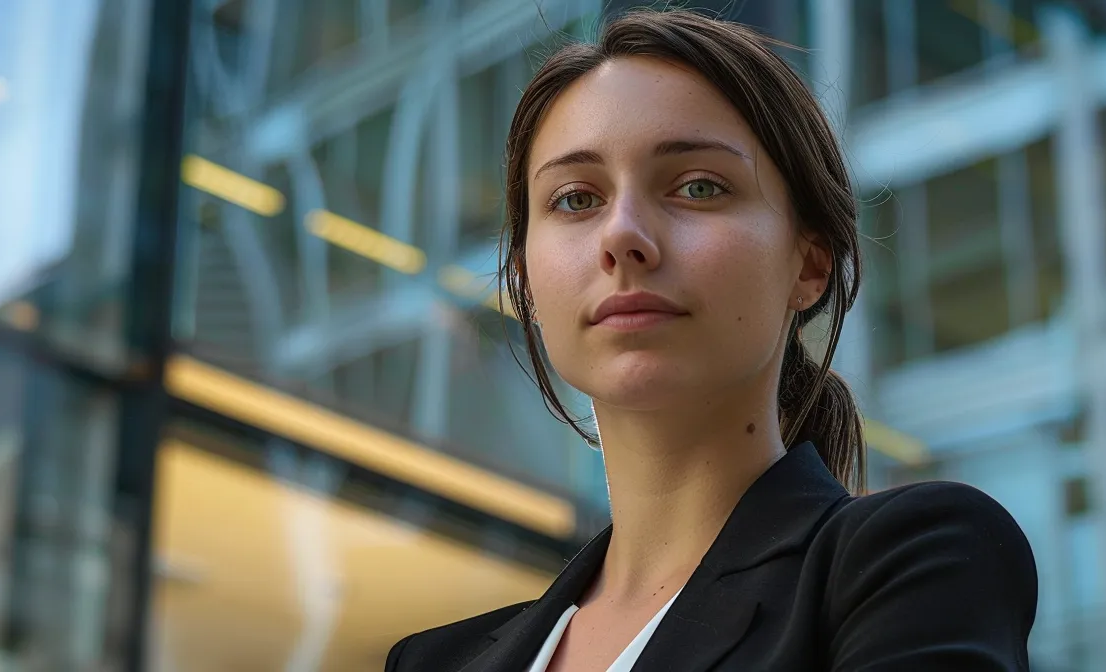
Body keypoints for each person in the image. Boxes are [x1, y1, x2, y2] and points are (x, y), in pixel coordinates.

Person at [386, 8, 1037, 672]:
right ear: (525, 277)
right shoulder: (432, 662)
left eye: (698, 187)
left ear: (808, 264)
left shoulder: (912, 562)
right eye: (577, 199)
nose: (622, 237)